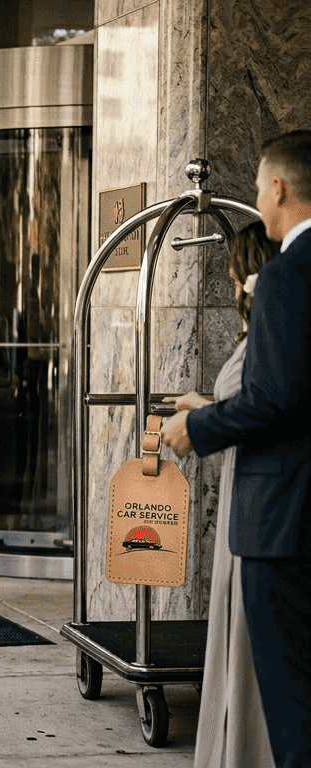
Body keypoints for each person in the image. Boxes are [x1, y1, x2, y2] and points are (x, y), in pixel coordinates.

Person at [162, 130, 311, 766]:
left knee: (293, 709)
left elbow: (276, 400)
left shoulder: (285, 276)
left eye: (257, 187)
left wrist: (194, 430)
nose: (259, 198)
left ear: (278, 188)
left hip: (285, 522)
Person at [166, 223, 277, 768]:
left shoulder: (271, 328)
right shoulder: (260, 329)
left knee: (252, 636)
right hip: (250, 493)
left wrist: (201, 422)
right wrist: (204, 403)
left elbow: (265, 407)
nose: (231, 280)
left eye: (235, 270)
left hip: (262, 500)